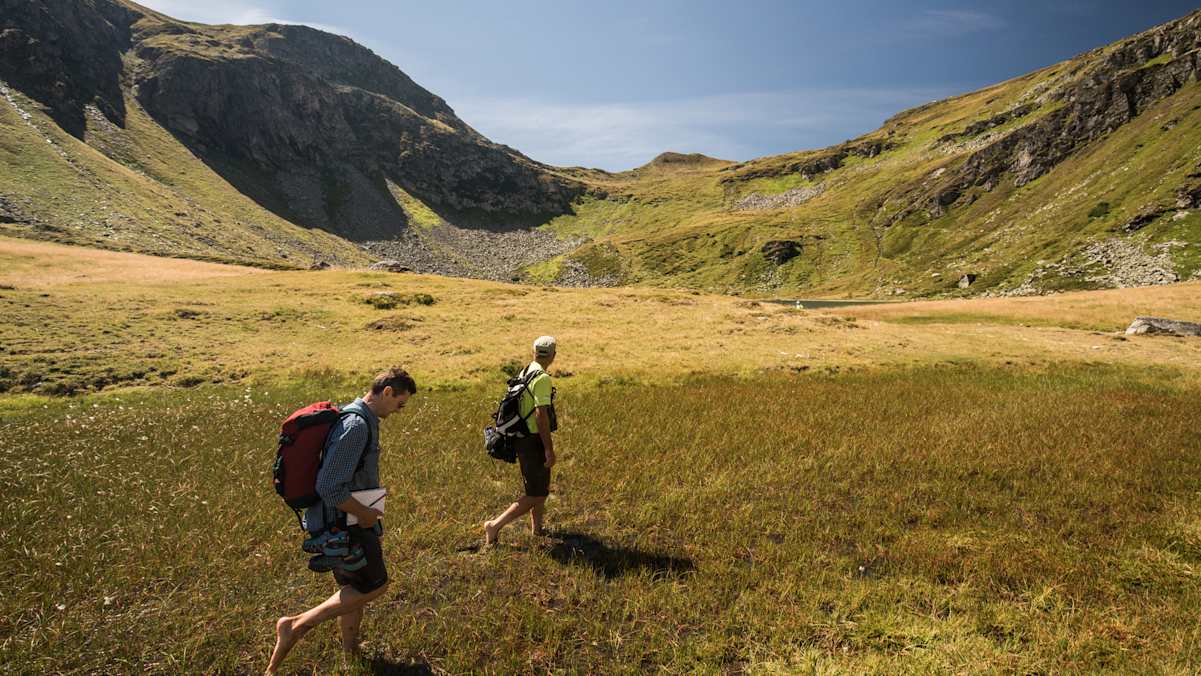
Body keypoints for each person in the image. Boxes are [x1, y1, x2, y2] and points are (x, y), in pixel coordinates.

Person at [267, 367, 417, 674]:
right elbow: (330, 485)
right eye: (400, 403)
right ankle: (295, 625)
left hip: (346, 517)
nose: (401, 411)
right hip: (345, 521)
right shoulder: (357, 426)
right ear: (387, 392)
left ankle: (351, 651)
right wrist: (364, 515)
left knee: (354, 587)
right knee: (376, 585)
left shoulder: (358, 418)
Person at [484, 336, 558, 546]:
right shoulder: (542, 378)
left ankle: (538, 528)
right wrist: (548, 449)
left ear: (534, 352)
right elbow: (540, 415)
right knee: (535, 494)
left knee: (540, 487)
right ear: (553, 355)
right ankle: (494, 525)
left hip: (521, 438)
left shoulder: (527, 370)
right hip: (532, 440)